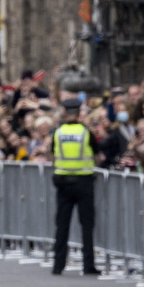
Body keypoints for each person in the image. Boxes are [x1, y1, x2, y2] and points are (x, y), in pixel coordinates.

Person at [51, 98, 102, 276]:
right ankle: (88, 265)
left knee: (62, 225)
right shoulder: (85, 132)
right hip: (84, 182)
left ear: (65, 113)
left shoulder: (58, 132)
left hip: (63, 182)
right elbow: (97, 154)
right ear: (79, 113)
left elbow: (52, 153)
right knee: (87, 225)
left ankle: (58, 265)